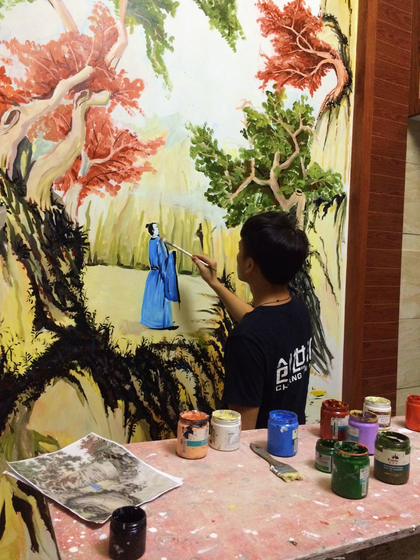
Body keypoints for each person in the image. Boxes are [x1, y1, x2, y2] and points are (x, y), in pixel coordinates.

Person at [192, 211, 312, 430]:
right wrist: (215, 283)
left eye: (240, 251)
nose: (237, 256)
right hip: (289, 440)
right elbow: (261, 324)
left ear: (249, 265)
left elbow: (242, 433)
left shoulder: (246, 338)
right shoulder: (298, 309)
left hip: (260, 448)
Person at [141, 222, 180, 329]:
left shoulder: (151, 242)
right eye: (156, 228)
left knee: (152, 298)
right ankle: (163, 323)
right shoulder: (159, 242)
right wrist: (172, 256)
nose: (158, 230)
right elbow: (164, 260)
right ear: (153, 231)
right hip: (159, 274)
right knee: (161, 298)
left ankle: (150, 321)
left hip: (152, 274)